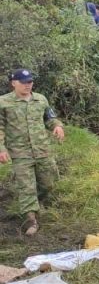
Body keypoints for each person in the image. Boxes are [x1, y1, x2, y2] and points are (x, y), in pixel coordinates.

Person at [0, 69, 65, 236]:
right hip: (20, 152)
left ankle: (36, 204)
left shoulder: (40, 99)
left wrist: (57, 126)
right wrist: (1, 148)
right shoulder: (3, 102)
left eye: (30, 82)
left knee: (48, 184)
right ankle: (30, 220)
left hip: (42, 149)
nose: (28, 85)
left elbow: (49, 118)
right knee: (26, 187)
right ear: (13, 83)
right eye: (23, 82)